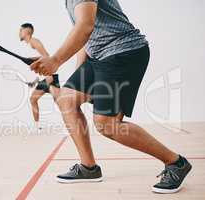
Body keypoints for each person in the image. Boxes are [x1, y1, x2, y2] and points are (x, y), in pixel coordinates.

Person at [30, 0, 192, 194]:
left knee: (107, 125)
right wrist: (80, 77)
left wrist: (56, 60)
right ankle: (88, 168)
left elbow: (85, 25)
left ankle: (176, 163)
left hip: (122, 52)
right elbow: (85, 35)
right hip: (98, 57)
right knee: (67, 99)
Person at [19, 23, 61, 131]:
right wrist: (35, 81)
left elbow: (46, 56)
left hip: (49, 77)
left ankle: (71, 124)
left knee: (61, 102)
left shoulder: (34, 41)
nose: (19, 33)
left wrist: (49, 75)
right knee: (33, 99)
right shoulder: (30, 45)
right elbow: (39, 64)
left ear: (26, 31)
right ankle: (37, 127)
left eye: (20, 30)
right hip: (46, 77)